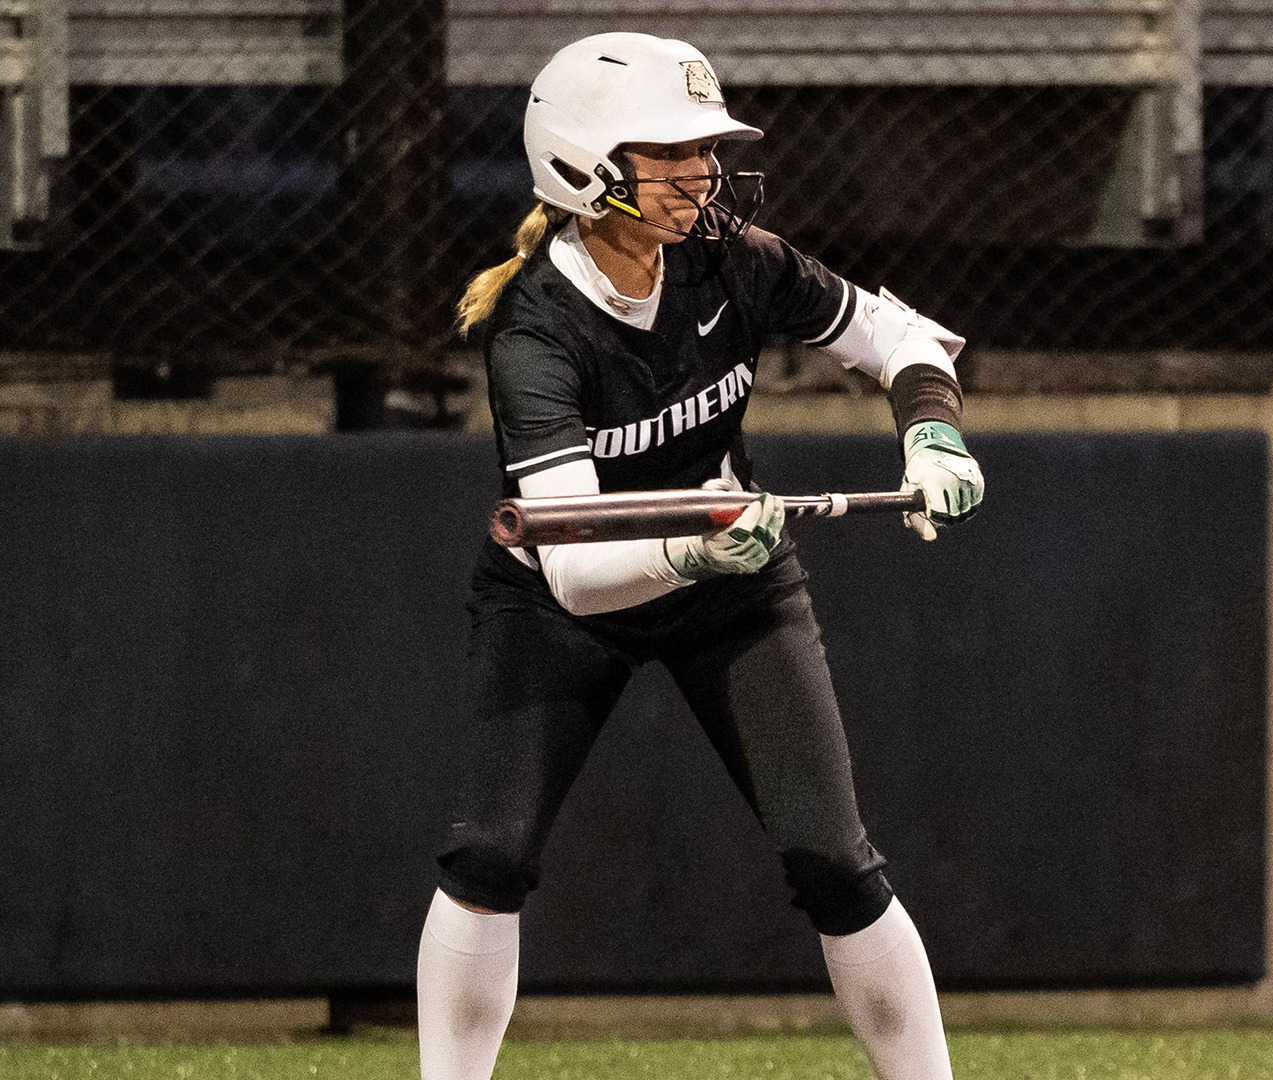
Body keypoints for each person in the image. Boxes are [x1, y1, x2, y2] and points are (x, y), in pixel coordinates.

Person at [420, 31, 984, 1080]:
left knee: (837, 865)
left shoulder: (734, 259)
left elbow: (905, 339)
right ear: (585, 165)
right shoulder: (534, 330)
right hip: (565, 594)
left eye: (704, 150)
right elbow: (582, 573)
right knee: (487, 856)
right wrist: (701, 544)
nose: (701, 174)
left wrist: (933, 428)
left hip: (730, 575)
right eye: (669, 152)